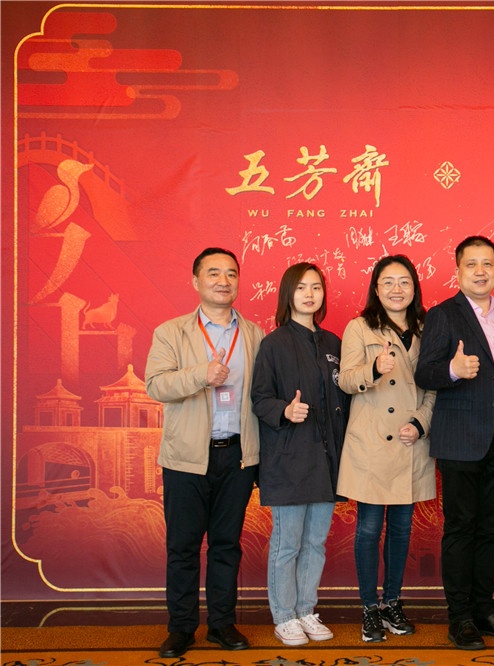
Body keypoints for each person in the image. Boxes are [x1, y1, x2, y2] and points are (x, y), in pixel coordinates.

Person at [145, 247, 264, 658]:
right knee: (182, 546)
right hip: (187, 458)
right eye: (213, 273)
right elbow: (156, 385)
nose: (223, 281)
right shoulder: (171, 332)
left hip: (238, 456)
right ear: (196, 281)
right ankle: (181, 628)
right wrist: (202, 375)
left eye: (231, 273)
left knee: (227, 544)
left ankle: (221, 624)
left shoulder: (254, 334)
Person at [414, 235, 494, 651]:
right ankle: (459, 617)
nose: (481, 272)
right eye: (472, 264)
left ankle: (485, 610)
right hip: (460, 440)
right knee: (461, 529)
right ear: (458, 271)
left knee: (489, 529)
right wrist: (453, 369)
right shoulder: (443, 314)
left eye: (488, 264)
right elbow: (424, 373)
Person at [337, 255, 436, 643]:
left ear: (415, 288)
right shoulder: (359, 327)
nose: (397, 289)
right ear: (376, 289)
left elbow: (434, 389)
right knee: (368, 529)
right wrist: (374, 369)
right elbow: (345, 380)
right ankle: (369, 608)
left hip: (411, 442)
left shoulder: (428, 328)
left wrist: (421, 423)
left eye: (405, 281)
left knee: (401, 529)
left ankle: (392, 602)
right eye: (388, 282)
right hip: (372, 443)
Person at [250, 262, 349, 646]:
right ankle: (284, 616)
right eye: (302, 287)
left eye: (316, 287)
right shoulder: (273, 344)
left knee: (315, 543)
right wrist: (285, 411)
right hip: (289, 459)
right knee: (287, 544)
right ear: (288, 294)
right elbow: (260, 398)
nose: (310, 294)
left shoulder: (333, 344)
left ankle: (306, 610)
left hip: (326, 461)